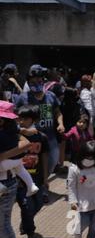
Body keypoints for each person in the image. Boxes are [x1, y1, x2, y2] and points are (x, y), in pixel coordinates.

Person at [15, 64, 65, 197]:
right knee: (32, 165)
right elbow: (15, 117)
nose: (36, 83)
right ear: (28, 82)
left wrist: (60, 124)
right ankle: (35, 187)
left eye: (39, 81)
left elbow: (58, 112)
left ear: (43, 81)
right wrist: (21, 130)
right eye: (33, 81)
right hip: (31, 140)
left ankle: (41, 182)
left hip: (50, 138)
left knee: (52, 162)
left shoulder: (51, 96)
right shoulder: (22, 98)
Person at [15, 105, 49, 238]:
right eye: (19, 118)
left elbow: (45, 157)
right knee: (27, 207)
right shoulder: (15, 136)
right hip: (19, 180)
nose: (21, 121)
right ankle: (30, 232)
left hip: (37, 177)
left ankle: (25, 222)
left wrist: (46, 177)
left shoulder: (42, 137)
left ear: (33, 119)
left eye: (25, 119)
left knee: (39, 204)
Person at [0, 101, 39, 198]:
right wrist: (30, 131)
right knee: (21, 170)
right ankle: (31, 185)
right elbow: (25, 133)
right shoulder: (13, 127)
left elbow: (26, 144)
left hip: (4, 164)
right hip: (18, 160)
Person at [0, 129, 31, 238]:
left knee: (2, 226)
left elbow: (26, 144)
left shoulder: (10, 133)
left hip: (5, 182)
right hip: (7, 182)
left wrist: (3, 156)